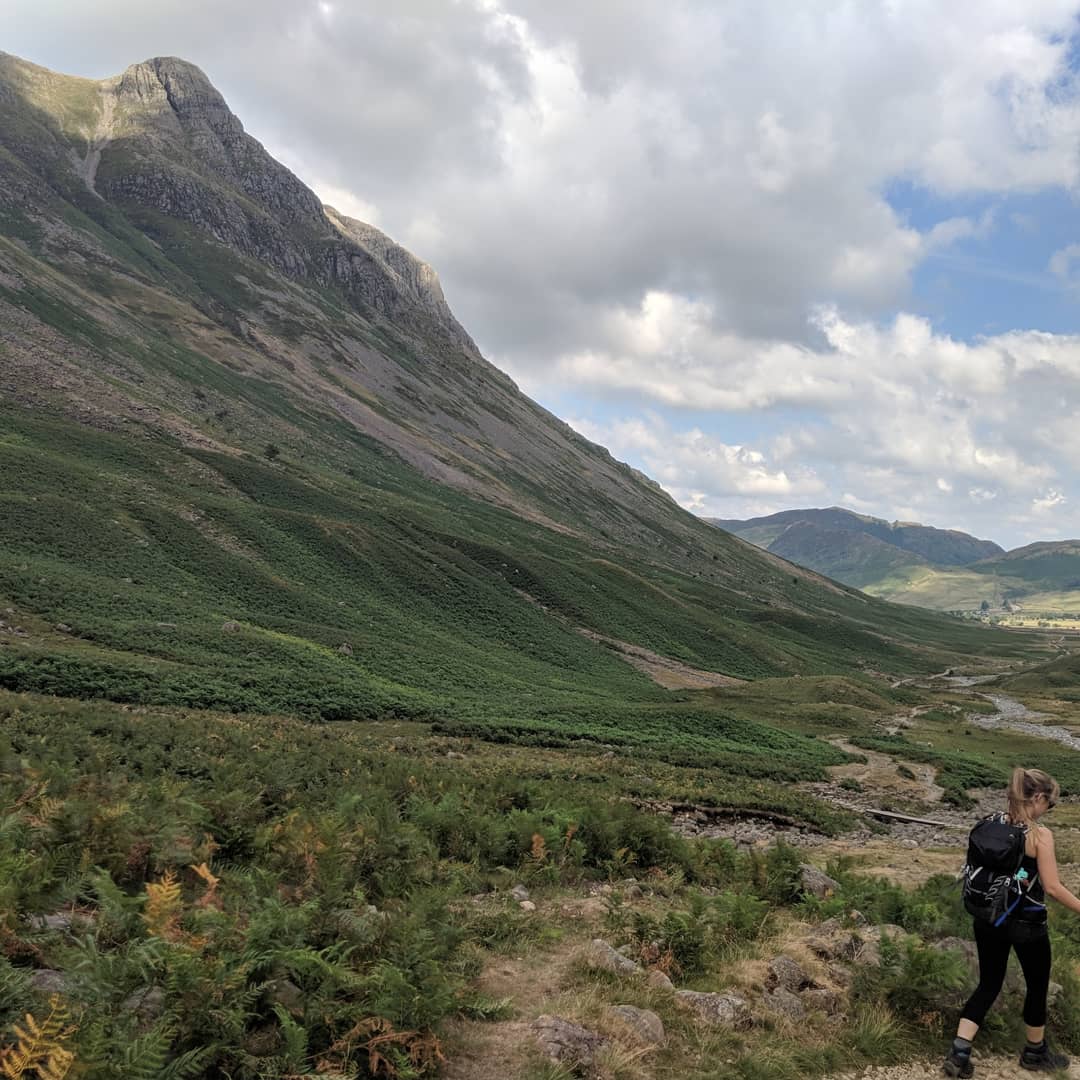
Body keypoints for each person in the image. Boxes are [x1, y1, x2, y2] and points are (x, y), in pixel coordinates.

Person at [944, 767, 1080, 1076]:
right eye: (1050, 804)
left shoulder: (989, 823)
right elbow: (1053, 887)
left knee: (989, 983)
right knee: (1036, 985)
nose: (1049, 810)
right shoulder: (1039, 835)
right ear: (1038, 798)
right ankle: (1035, 1052)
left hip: (987, 917)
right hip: (1026, 924)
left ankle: (959, 1052)